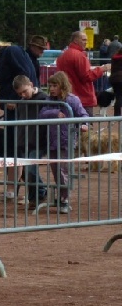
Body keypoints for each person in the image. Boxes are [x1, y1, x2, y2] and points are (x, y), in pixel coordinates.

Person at [0, 40, 38, 198]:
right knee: (13, 149)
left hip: (22, 108)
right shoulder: (5, 57)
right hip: (12, 109)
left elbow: (25, 75)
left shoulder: (11, 52)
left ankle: (37, 190)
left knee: (20, 150)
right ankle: (13, 190)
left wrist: (15, 98)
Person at [39, 71, 90, 214]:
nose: (51, 89)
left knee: (63, 171)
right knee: (56, 171)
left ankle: (64, 199)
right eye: (50, 86)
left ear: (62, 85)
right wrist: (55, 113)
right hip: (52, 141)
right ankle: (61, 197)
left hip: (66, 141)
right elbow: (41, 114)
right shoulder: (49, 100)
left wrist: (84, 124)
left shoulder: (72, 100)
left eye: (55, 85)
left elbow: (83, 114)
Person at [11, 75, 49, 209]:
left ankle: (39, 194)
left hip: (39, 141)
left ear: (31, 85)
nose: (23, 95)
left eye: (24, 91)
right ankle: (36, 196)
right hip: (24, 141)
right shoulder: (21, 102)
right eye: (19, 93)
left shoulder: (44, 99)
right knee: (27, 172)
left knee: (30, 169)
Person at [55, 31, 111, 116]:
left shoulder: (62, 56)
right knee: (85, 123)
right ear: (75, 40)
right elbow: (87, 76)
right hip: (83, 99)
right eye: (84, 40)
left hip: (66, 98)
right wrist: (102, 69)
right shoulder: (80, 56)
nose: (86, 42)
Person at [109, 43, 122, 117]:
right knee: (119, 97)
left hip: (114, 79)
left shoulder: (114, 58)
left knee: (118, 96)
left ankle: (117, 114)